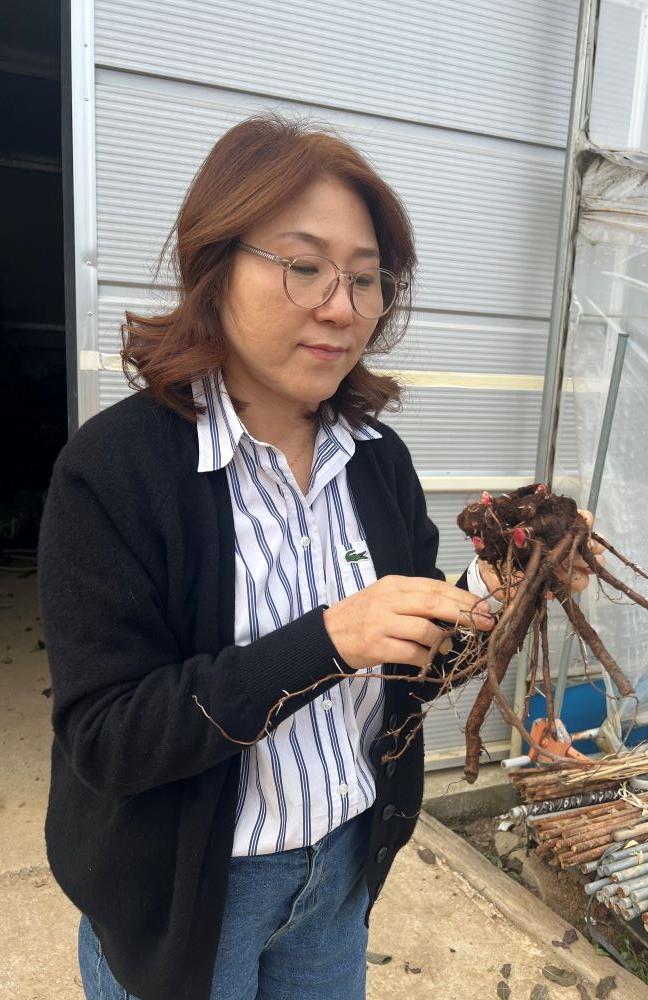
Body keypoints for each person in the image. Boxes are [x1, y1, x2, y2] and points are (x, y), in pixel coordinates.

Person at [38, 114, 599, 1000]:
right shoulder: (115, 471)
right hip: (186, 896)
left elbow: (410, 664)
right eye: (304, 266)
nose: (341, 307)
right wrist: (329, 640)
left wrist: (493, 593)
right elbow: (109, 739)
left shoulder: (376, 460)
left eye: (366, 279)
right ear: (214, 264)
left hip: (339, 874)